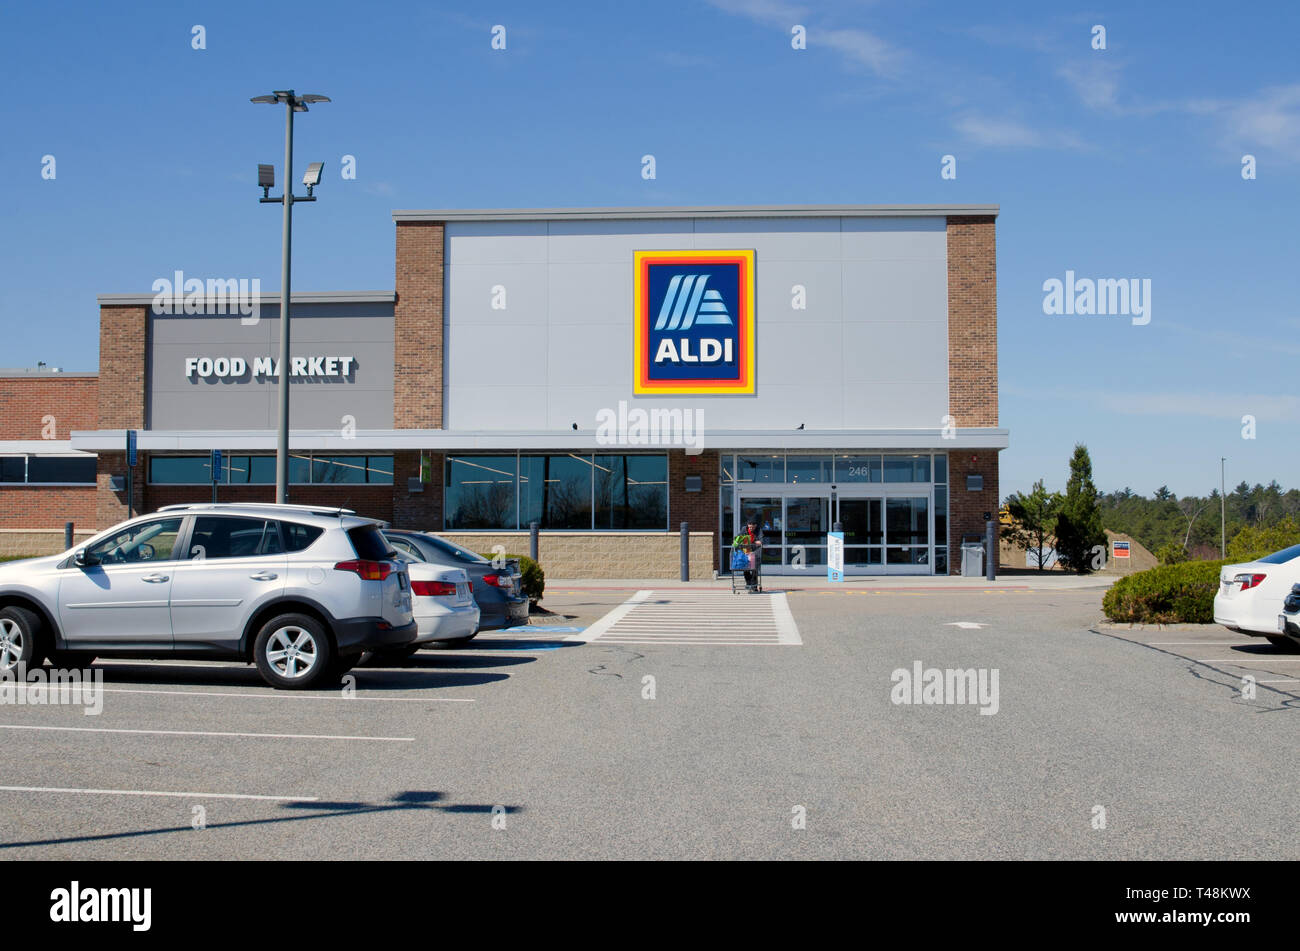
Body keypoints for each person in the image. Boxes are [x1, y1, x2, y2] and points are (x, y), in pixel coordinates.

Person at [741, 520, 763, 591]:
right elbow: (739, 537)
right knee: (745, 569)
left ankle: (754, 586)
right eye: (749, 527)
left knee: (754, 569)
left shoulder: (759, 530)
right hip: (746, 551)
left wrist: (751, 541)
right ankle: (748, 583)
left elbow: (760, 541)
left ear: (755, 526)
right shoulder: (744, 529)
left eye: (752, 527)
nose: (750, 529)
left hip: (755, 552)